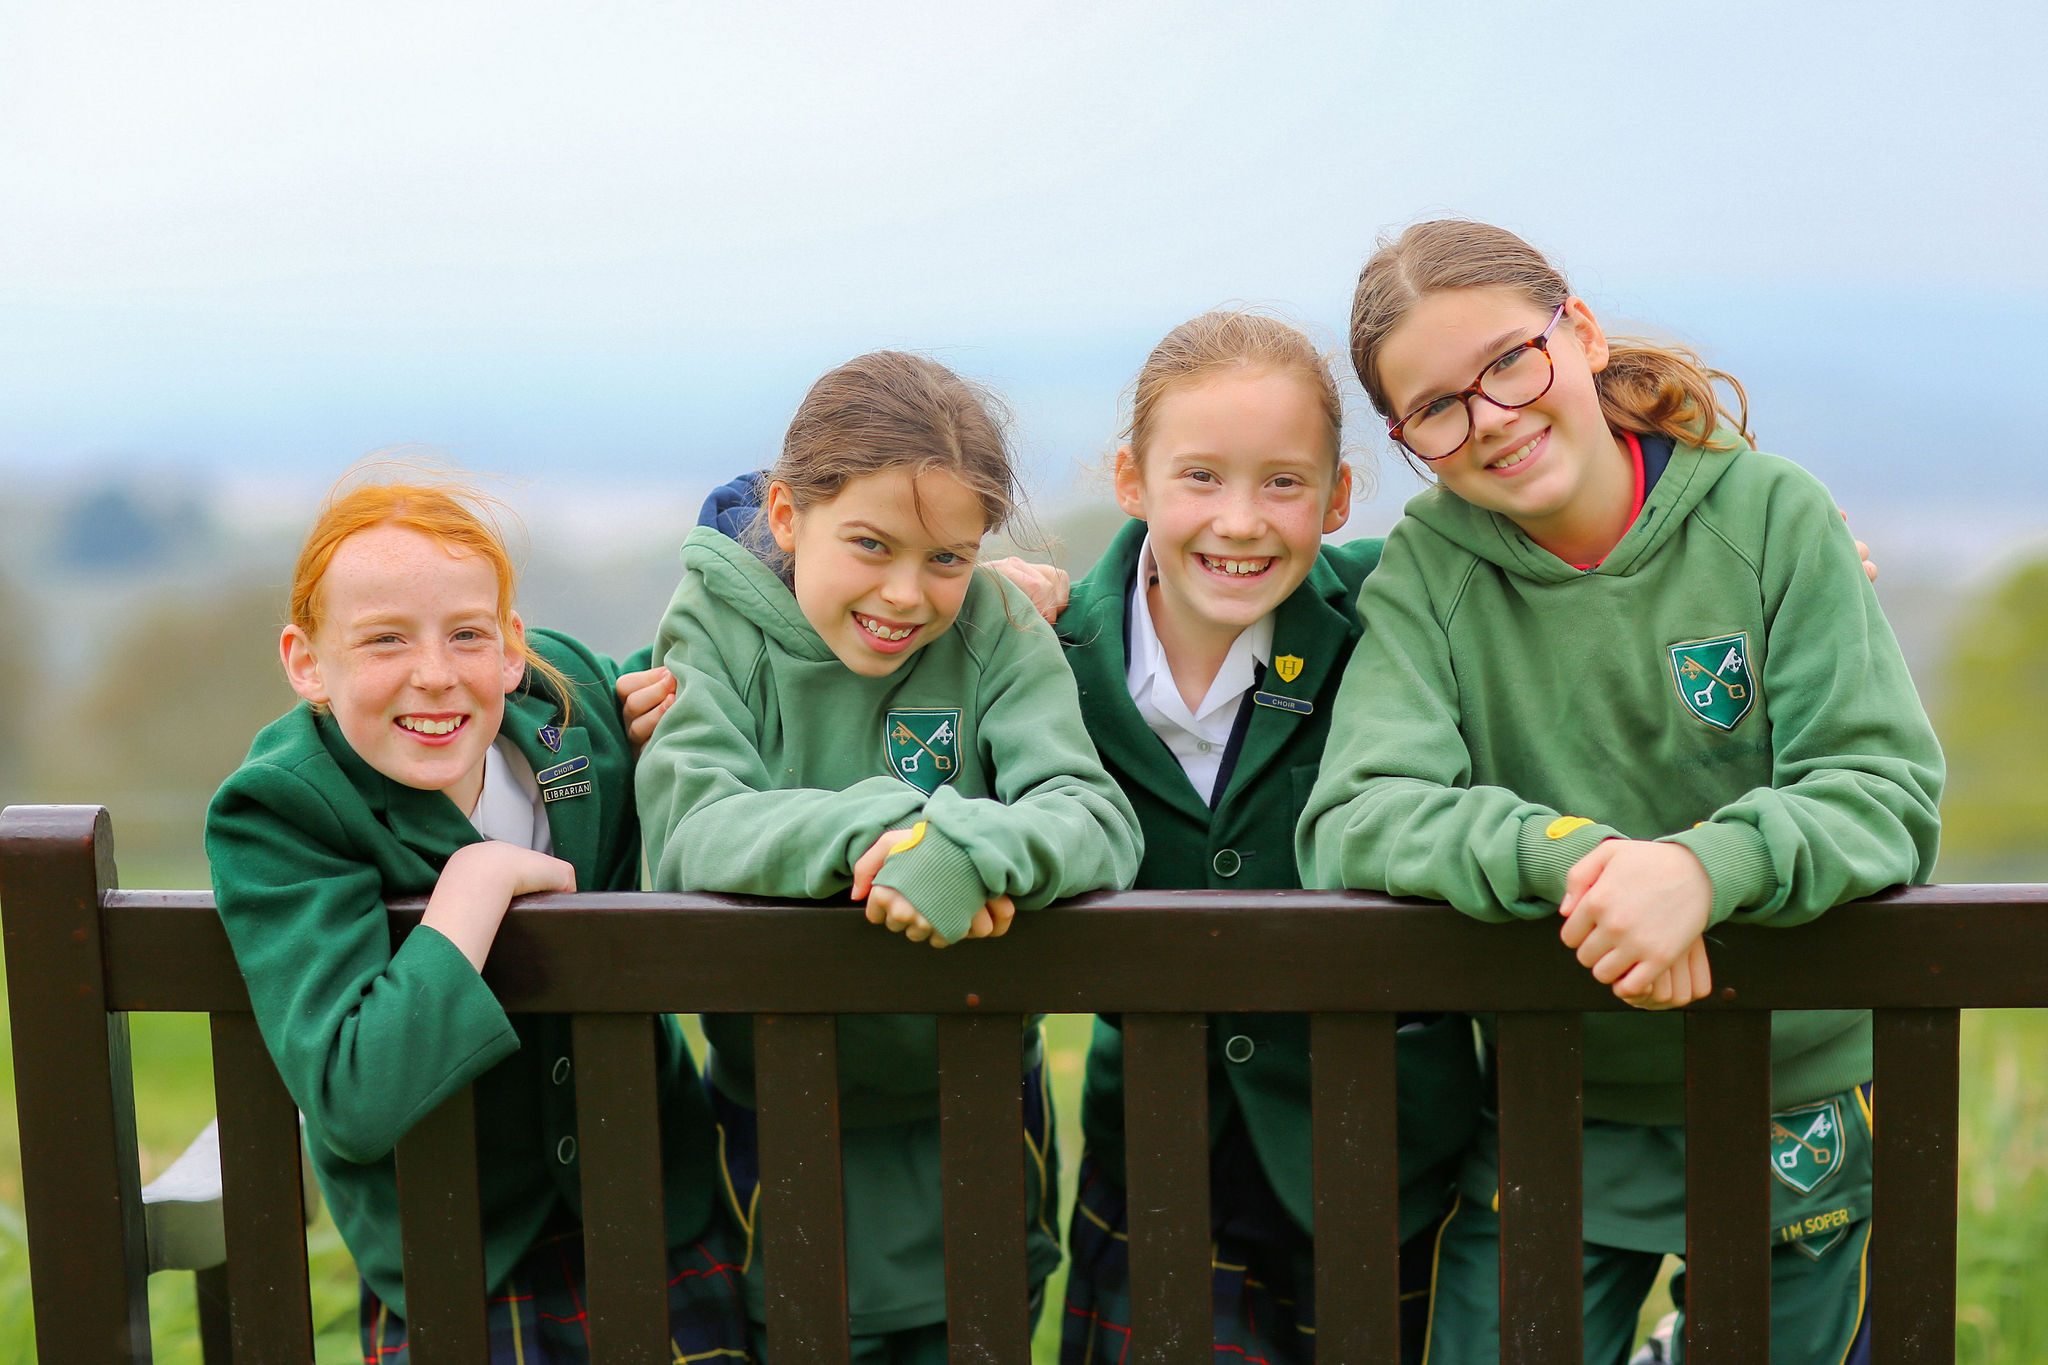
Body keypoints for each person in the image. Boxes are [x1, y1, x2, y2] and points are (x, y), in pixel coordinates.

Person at [1297, 220, 1944, 1364]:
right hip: (1554, 1096)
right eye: (1438, 408)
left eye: (1508, 361)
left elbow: (1880, 790)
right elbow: (1357, 814)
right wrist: (1586, 864)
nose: (1490, 416)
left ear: (1579, 332)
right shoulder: (1429, 574)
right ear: (1408, 442)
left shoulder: (1768, 517)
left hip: (1794, 1098)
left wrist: (1702, 866)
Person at [635, 350, 1144, 1363]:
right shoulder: (716, 627)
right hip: (774, 1123)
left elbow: (1093, 817)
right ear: (785, 517)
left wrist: (971, 846)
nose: (906, 593)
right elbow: (692, 829)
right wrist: (888, 829)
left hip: (978, 1114)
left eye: (947, 558)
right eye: (869, 545)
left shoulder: (998, 629)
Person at [204, 472, 749, 1363]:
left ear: (511, 650)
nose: (434, 674)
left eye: (467, 635)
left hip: (654, 1211)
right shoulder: (281, 812)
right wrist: (471, 888)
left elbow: (739, 657)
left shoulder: (574, 710)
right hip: (453, 1254)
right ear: (307, 662)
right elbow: (350, 1091)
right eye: (384, 640)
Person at [1054, 309, 1482, 1365]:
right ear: (1130, 480)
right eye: (1198, 477)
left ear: (1336, 498)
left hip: (1384, 1161)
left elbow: (1585, 573)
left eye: (1283, 483)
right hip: (1156, 1166)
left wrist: (1774, 559)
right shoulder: (1043, 650)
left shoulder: (1401, 606)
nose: (1239, 522)